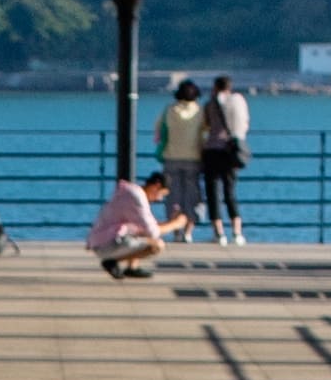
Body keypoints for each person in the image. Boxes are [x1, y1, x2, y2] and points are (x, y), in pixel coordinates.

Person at [84, 168, 186, 278]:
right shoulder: (137, 198)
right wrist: (176, 224)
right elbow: (153, 232)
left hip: (102, 240)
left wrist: (170, 222)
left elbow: (148, 226)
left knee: (140, 231)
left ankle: (132, 267)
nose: (160, 199)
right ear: (156, 186)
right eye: (162, 194)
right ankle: (111, 261)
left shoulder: (133, 192)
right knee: (157, 245)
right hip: (107, 244)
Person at [155, 80, 207, 243]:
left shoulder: (169, 110)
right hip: (194, 158)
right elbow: (205, 133)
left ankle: (176, 230)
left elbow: (158, 130)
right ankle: (188, 231)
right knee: (192, 195)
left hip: (171, 157)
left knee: (173, 196)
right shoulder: (199, 111)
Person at [202, 74, 251, 244]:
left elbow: (206, 123)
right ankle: (237, 232)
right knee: (230, 191)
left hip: (212, 150)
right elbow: (244, 124)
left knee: (213, 192)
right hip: (231, 150)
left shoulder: (211, 104)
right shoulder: (238, 101)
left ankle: (219, 233)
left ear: (215, 87)